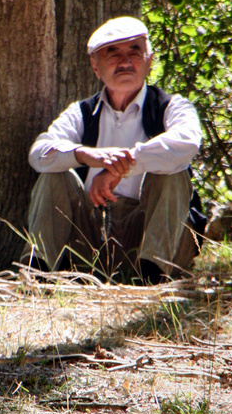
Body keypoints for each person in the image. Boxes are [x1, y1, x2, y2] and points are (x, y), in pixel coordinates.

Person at [26, 16, 203, 282]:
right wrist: (85, 154)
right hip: (90, 241)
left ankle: (151, 279)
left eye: (134, 51)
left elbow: (187, 142)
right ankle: (36, 276)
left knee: (174, 173)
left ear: (148, 60)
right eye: (113, 53)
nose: (125, 62)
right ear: (95, 66)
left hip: (152, 239)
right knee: (54, 174)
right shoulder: (81, 113)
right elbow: (39, 153)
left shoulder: (172, 107)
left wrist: (123, 167)